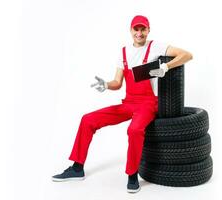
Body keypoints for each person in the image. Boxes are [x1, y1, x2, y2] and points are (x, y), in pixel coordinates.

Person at [52, 15, 193, 193]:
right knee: (87, 119)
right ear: (131, 31)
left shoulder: (155, 46)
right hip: (129, 102)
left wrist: (166, 66)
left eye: (143, 29)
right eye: (136, 29)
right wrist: (106, 85)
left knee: (134, 130)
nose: (139, 33)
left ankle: (132, 175)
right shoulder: (124, 52)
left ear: (148, 30)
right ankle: (77, 168)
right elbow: (117, 83)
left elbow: (187, 55)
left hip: (148, 103)